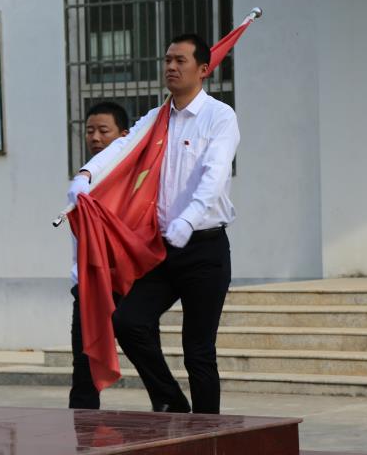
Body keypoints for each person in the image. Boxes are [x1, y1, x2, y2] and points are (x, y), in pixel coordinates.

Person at [68, 33, 240, 414]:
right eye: (167, 60)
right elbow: (121, 147)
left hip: (204, 248)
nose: (171, 67)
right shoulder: (157, 117)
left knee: (198, 351)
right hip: (164, 249)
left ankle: (208, 434)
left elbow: (215, 175)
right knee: (128, 321)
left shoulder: (220, 117)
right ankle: (172, 402)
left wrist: (189, 219)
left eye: (180, 61)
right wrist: (86, 175)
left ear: (203, 69)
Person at [68, 101, 129, 409]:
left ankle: (169, 408)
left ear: (124, 135)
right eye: (90, 130)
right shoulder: (82, 182)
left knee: (144, 352)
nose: (95, 137)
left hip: (125, 284)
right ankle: (83, 429)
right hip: (88, 286)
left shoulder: (133, 180)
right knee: (84, 366)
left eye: (104, 131)